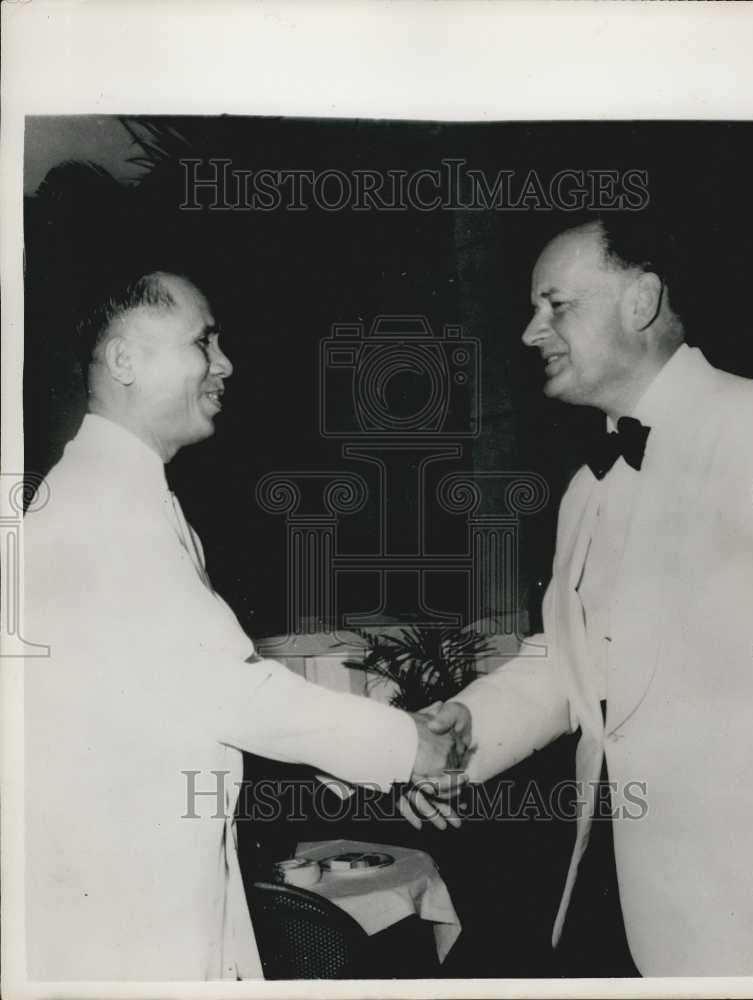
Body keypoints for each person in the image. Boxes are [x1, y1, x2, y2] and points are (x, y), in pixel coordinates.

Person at [23, 271, 460, 981]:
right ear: (126, 361)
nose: (224, 363)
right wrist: (407, 747)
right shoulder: (104, 508)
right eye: (203, 341)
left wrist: (357, 758)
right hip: (125, 907)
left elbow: (179, 690)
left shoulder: (118, 493)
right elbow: (226, 693)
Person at [425, 216, 753, 976]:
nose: (531, 333)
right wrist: (467, 726)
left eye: (556, 306)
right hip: (630, 893)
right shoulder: (588, 486)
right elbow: (570, 660)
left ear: (641, 301)